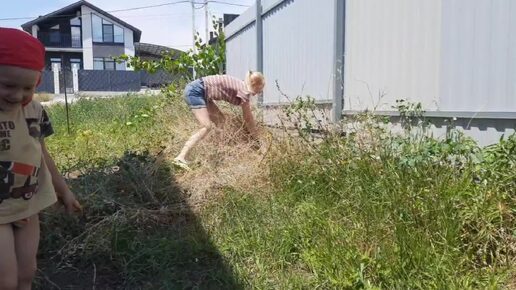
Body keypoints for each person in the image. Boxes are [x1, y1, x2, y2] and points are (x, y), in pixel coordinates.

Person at [0, 27, 82, 290]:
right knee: (5, 280)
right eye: (8, 85)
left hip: (28, 202)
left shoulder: (35, 111)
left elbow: (42, 154)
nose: (17, 95)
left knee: (26, 273)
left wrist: (64, 191)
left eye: (27, 87)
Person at [173, 72, 265, 170]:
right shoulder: (244, 91)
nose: (259, 93)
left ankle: (219, 153)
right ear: (254, 84)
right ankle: (181, 157)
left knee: (222, 123)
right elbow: (248, 119)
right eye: (260, 89)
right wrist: (256, 140)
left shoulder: (241, 85)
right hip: (196, 91)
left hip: (202, 93)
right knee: (206, 126)